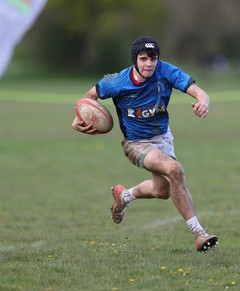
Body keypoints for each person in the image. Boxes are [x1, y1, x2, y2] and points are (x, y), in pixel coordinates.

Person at [72, 36, 218, 252]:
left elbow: (199, 92)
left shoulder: (166, 72)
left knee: (162, 191)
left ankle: (124, 196)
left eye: (153, 58)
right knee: (174, 170)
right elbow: (89, 97)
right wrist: (81, 117)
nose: (149, 63)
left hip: (163, 137)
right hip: (136, 143)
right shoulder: (116, 82)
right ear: (135, 60)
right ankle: (198, 233)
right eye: (143, 59)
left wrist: (203, 103)